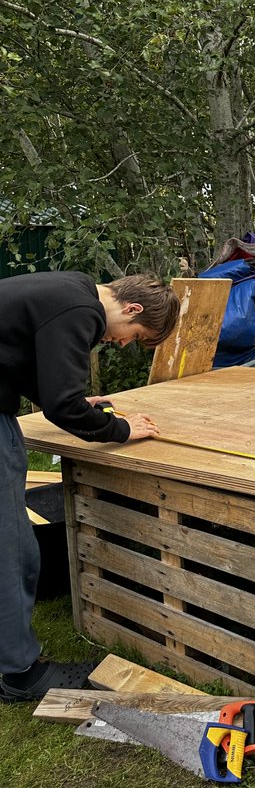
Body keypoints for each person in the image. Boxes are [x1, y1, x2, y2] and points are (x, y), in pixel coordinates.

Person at [0, 271, 180, 703]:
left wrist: (80, 403)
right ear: (132, 309)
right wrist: (119, 429)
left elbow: (18, 356)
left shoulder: (69, 287)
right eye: (135, 336)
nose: (122, 343)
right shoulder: (81, 310)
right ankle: (18, 674)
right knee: (12, 550)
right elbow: (63, 406)